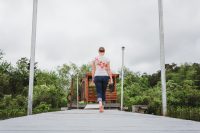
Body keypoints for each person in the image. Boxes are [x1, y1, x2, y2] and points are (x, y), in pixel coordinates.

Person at [92, 47, 113, 112]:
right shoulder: (107, 59)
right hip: (105, 77)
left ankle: (100, 104)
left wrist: (93, 78)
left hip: (97, 76)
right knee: (103, 92)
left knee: (99, 91)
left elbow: (93, 69)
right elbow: (109, 69)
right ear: (104, 51)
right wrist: (111, 79)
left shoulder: (94, 59)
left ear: (98, 51)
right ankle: (102, 106)